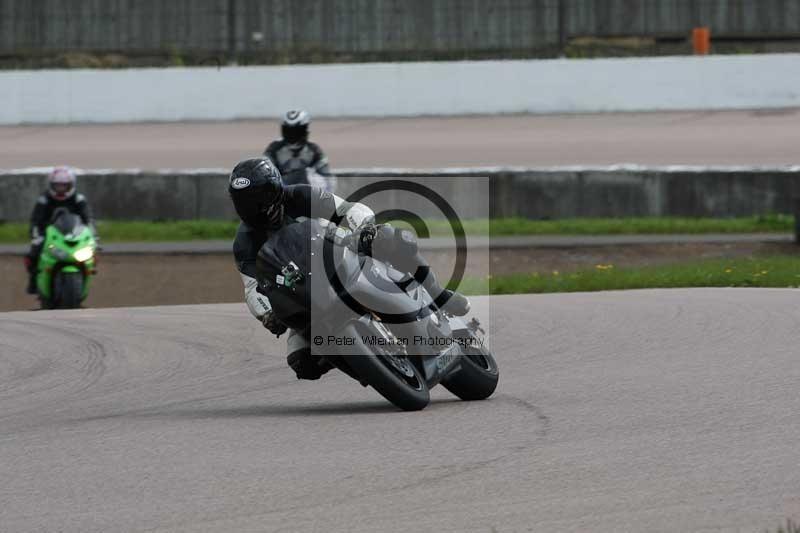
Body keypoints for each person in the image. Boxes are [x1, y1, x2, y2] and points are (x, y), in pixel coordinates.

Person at [228, 157, 470, 380]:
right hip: (307, 293)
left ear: (274, 190)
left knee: (389, 237)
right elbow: (252, 288)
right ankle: (369, 364)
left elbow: (349, 210)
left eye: (258, 197)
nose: (253, 208)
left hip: (342, 254)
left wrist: (361, 230)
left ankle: (438, 294)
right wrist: (267, 313)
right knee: (302, 362)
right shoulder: (244, 243)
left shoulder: (300, 197)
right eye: (244, 202)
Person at [25, 167, 96, 295]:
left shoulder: (78, 199)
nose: (61, 189)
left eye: (64, 186)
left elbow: (88, 219)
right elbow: (35, 221)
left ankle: (90, 270)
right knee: (33, 253)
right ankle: (33, 280)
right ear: (51, 185)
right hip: (49, 235)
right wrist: (36, 236)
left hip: (74, 234)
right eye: (57, 186)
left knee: (91, 251)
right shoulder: (44, 200)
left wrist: (93, 237)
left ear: (71, 185)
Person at [263, 109, 336, 191]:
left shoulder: (314, 150)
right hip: (282, 194)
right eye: (289, 131)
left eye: (296, 131)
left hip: (308, 197)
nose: (292, 135)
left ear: (305, 130)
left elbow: (327, 178)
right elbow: (265, 174)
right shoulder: (273, 149)